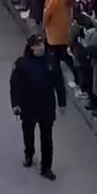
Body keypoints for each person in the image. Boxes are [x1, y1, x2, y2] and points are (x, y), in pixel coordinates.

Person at [9, 34, 60, 179]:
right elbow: (15, 85)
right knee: (28, 133)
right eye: (37, 46)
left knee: (47, 138)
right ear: (31, 48)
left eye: (42, 45)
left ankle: (46, 167)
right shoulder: (22, 64)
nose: (41, 48)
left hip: (46, 106)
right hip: (28, 105)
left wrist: (62, 101)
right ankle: (29, 154)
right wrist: (16, 104)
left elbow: (58, 81)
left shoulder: (50, 61)